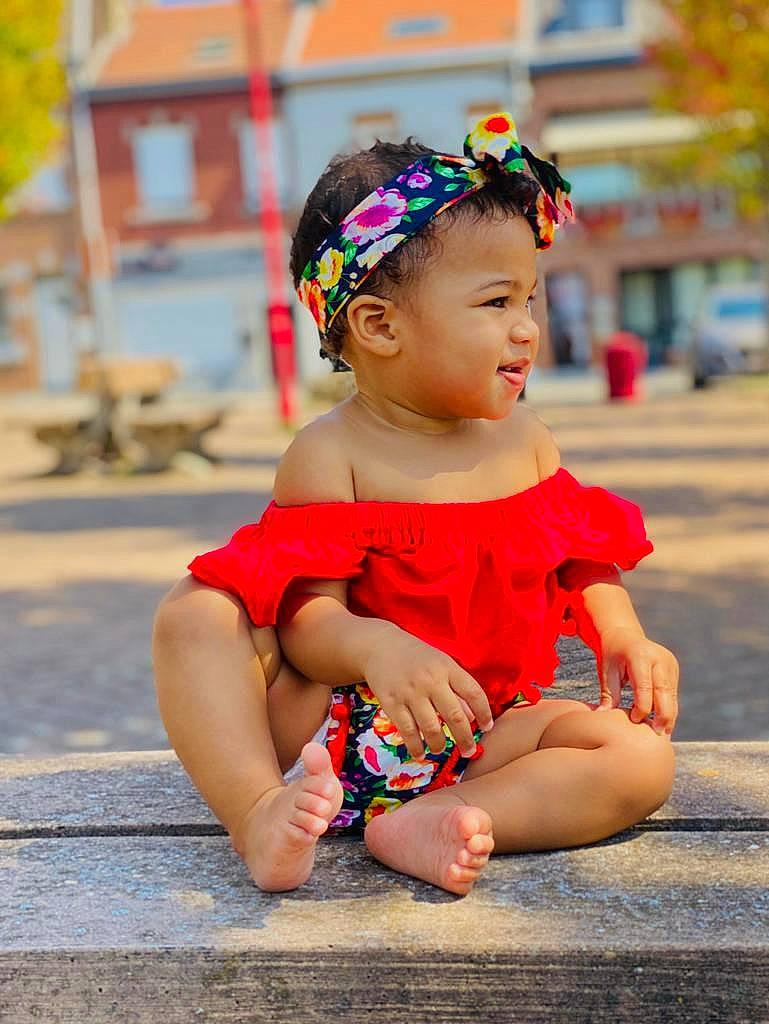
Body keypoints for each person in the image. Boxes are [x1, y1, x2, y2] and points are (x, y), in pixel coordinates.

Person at [152, 112, 678, 897]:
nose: (525, 330)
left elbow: (580, 560)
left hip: (482, 731)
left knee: (639, 759)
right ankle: (257, 812)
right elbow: (305, 624)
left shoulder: (527, 442)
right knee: (194, 614)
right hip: (325, 742)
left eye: (529, 300)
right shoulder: (331, 454)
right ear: (378, 325)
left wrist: (622, 632)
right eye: (495, 303)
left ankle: (443, 819)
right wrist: (379, 648)